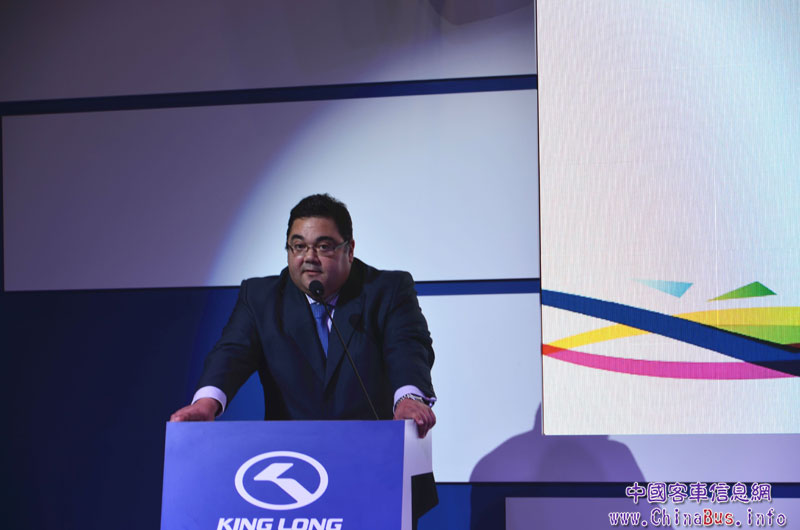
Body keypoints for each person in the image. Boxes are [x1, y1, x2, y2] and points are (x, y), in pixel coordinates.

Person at [170, 193, 436, 437]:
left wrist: (408, 399)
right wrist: (206, 403)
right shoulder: (261, 298)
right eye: (298, 246)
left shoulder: (387, 290)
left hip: (376, 450)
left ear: (350, 250)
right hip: (293, 455)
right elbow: (231, 353)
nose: (309, 257)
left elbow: (408, 347)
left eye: (324, 246)